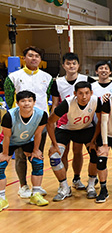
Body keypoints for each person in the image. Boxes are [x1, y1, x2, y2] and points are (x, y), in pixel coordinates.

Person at [4, 46, 52, 199]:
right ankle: (23, 186)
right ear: (24, 58)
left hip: (40, 122)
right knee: (20, 157)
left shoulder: (48, 77)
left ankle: (37, 187)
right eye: (30, 55)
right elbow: (9, 99)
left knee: (37, 154)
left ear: (40, 59)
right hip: (19, 124)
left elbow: (48, 96)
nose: (34, 58)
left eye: (37, 56)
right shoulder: (13, 77)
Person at [47, 81, 102, 201]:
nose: (84, 97)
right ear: (75, 94)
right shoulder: (67, 103)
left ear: (91, 93)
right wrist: (54, 144)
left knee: (96, 154)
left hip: (86, 129)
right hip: (65, 129)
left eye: (87, 93)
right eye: (80, 93)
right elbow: (50, 122)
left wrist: (93, 140)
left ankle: (91, 185)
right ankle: (64, 187)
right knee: (54, 157)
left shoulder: (96, 101)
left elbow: (100, 121)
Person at [50, 53, 96, 191]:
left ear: (78, 65)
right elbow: (55, 104)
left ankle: (77, 178)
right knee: (62, 153)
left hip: (82, 121)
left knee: (78, 151)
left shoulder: (87, 80)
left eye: (74, 63)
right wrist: (54, 122)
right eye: (68, 64)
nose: (71, 66)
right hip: (65, 122)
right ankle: (63, 184)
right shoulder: (57, 83)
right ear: (63, 65)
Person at [0, 91, 49, 211]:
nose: (26, 103)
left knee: (38, 161)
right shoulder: (9, 116)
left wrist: (36, 150)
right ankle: (1, 199)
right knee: (1, 165)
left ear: (34, 102)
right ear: (17, 103)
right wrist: (5, 154)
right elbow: (6, 137)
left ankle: (36, 194)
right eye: (23, 101)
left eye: (29, 100)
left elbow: (38, 134)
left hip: (27, 140)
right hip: (10, 141)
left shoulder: (42, 114)